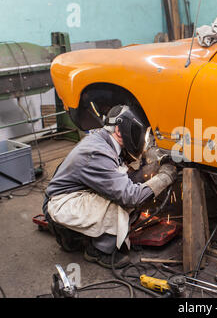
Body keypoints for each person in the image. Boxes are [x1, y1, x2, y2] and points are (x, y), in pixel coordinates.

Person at [43, 105, 177, 268]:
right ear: (120, 130)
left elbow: (127, 179)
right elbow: (130, 196)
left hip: (76, 196)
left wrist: (155, 166)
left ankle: (77, 236)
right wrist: (165, 177)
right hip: (61, 204)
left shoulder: (106, 142)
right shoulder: (98, 153)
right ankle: (98, 251)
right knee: (120, 203)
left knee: (124, 193)